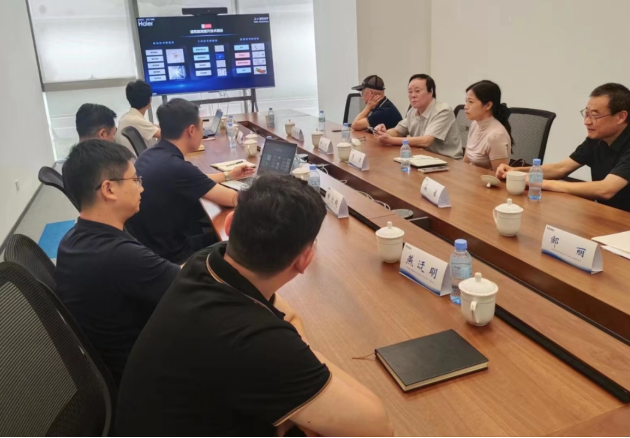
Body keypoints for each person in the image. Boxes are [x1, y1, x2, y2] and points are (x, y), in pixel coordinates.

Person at [116, 175, 394, 438]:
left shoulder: (207, 261)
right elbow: (378, 427)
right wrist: (298, 376)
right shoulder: (252, 337)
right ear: (304, 260)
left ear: (229, 225)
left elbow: (288, 316)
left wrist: (296, 383)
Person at [56, 140, 181, 384]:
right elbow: (195, 285)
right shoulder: (119, 256)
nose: (141, 188)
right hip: (148, 375)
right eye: (135, 180)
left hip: (118, 363)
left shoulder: (72, 238)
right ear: (109, 189)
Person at [497, 83, 630, 221]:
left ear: (621, 117)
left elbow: (606, 189)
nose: (587, 122)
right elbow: (561, 168)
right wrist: (516, 171)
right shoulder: (597, 138)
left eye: (595, 116)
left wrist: (542, 183)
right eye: (586, 114)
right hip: (607, 216)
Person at [126, 98, 255, 264]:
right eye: (202, 128)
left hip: (153, 246)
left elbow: (196, 179)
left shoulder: (152, 154)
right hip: (174, 256)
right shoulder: (175, 167)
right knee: (243, 238)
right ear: (191, 130)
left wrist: (229, 175)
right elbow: (234, 199)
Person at [374, 74, 464, 160]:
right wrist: (383, 133)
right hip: (423, 157)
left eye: (417, 91)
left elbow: (426, 141)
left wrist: (391, 140)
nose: (413, 95)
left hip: (448, 161)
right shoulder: (413, 111)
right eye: (410, 92)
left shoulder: (443, 110)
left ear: (430, 92)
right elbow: (398, 131)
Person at [463, 80, 513, 170]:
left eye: (470, 102)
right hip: (472, 176)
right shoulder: (475, 124)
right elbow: (465, 162)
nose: (465, 106)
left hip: (485, 179)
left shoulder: (496, 136)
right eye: (466, 101)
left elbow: (499, 176)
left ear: (488, 105)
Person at [116, 80, 161, 153]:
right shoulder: (136, 120)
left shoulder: (126, 117)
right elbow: (168, 135)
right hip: (138, 159)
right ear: (149, 100)